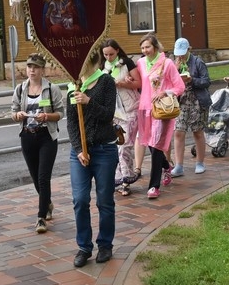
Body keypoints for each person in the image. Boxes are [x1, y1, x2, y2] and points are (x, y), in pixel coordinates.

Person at [67, 49, 118, 268]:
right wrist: (79, 149)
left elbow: (108, 115)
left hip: (104, 150)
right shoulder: (73, 85)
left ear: (92, 61)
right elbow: (71, 123)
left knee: (104, 200)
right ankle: (84, 247)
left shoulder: (106, 82)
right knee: (80, 200)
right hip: (80, 152)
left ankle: (105, 244)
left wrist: (88, 101)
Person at [10, 53, 65, 233]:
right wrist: (17, 115)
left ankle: (41, 217)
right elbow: (13, 111)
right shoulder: (20, 89)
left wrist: (46, 116)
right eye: (29, 67)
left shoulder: (51, 89)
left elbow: (60, 113)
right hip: (27, 136)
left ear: (42, 70)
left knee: (43, 177)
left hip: (46, 136)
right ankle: (47, 202)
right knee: (35, 178)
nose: (32, 70)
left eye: (35, 67)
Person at [136, 33, 185, 199]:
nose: (145, 50)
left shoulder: (167, 63)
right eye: (142, 48)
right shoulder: (141, 63)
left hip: (162, 110)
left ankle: (153, 186)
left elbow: (180, 86)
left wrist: (165, 92)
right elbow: (138, 82)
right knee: (149, 143)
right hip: (144, 108)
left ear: (155, 46)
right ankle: (166, 166)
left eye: (148, 47)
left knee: (156, 145)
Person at [102, 38, 142, 196]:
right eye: (105, 54)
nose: (108, 57)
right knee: (116, 146)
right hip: (113, 113)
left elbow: (138, 83)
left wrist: (123, 83)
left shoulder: (127, 63)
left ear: (117, 51)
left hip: (130, 109)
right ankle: (118, 179)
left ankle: (127, 179)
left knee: (125, 146)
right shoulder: (103, 67)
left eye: (111, 54)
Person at [170, 38, 211, 176]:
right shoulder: (175, 63)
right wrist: (175, 71)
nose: (180, 56)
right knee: (178, 131)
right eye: (178, 53)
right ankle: (179, 165)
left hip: (197, 100)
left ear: (189, 49)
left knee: (197, 131)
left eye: (182, 53)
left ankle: (200, 162)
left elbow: (206, 81)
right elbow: (169, 82)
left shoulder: (198, 62)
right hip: (182, 100)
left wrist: (192, 80)